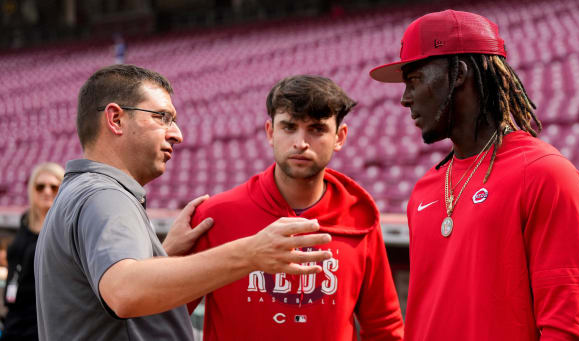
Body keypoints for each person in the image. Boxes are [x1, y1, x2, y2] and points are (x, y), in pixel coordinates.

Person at [34, 64, 333, 341]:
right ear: (115, 119)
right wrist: (251, 252)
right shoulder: (105, 196)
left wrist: (164, 256)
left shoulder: (79, 191)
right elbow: (124, 291)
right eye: (162, 117)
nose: (177, 133)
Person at [369, 10, 579, 340]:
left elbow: (568, 327)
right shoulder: (424, 189)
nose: (405, 99)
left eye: (415, 80)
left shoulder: (546, 175)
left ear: (458, 72)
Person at [188, 75, 404, 340]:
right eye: (289, 127)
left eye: (316, 129)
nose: (301, 142)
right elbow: (166, 313)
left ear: (340, 137)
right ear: (270, 132)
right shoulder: (215, 215)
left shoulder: (359, 218)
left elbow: (384, 326)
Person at [1, 163, 63, 341]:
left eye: (54, 186)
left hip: (42, 320)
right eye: (40, 186)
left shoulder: (63, 227)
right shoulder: (25, 221)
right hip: (14, 316)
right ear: (32, 190)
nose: (47, 191)